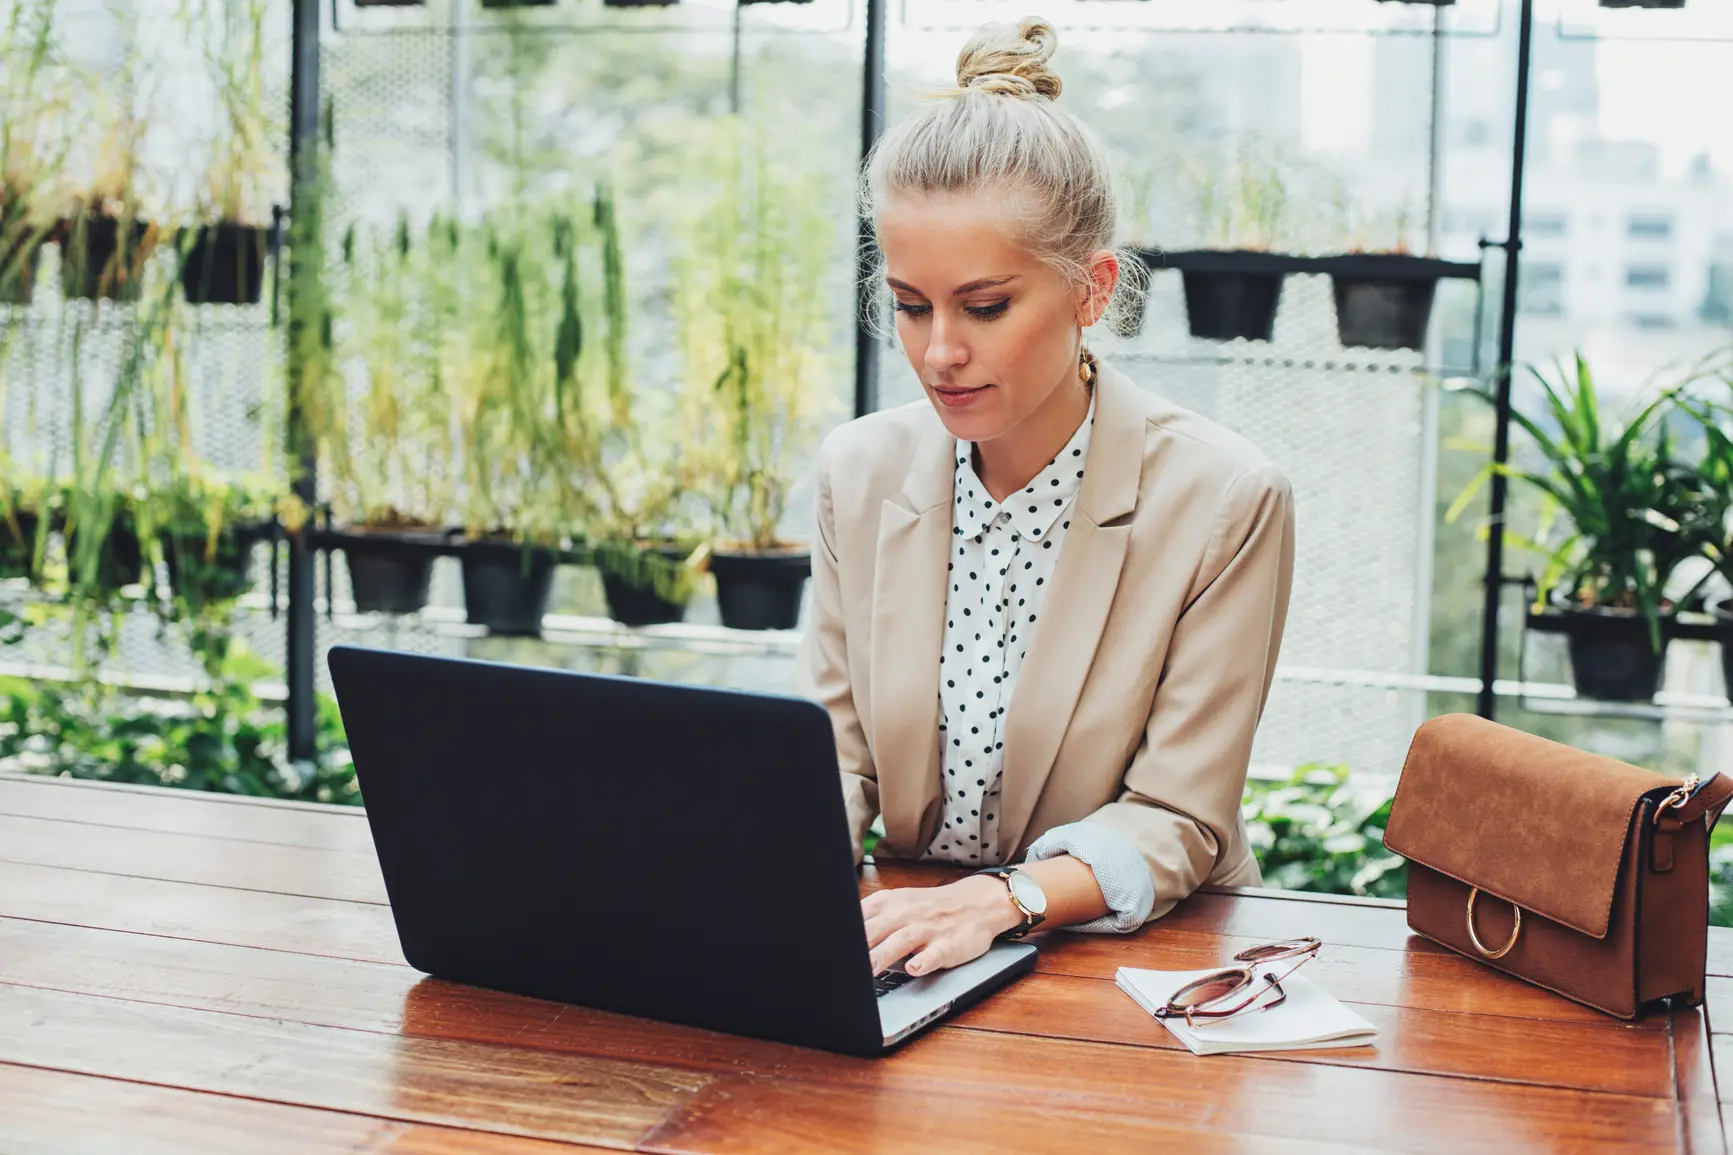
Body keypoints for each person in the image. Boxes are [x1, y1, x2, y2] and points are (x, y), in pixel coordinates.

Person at [797, 16, 1296, 981]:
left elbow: (1179, 818)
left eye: (984, 307)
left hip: (1138, 961)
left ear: (1090, 290)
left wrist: (998, 900)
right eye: (909, 304)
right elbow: (837, 759)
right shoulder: (857, 471)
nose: (938, 350)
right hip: (914, 950)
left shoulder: (1224, 499)